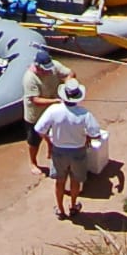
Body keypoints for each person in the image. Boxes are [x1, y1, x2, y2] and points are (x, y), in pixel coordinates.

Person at [32, 75, 99, 219]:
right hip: (78, 151)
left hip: (59, 151)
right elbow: (96, 133)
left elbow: (39, 129)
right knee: (75, 181)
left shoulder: (53, 110)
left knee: (59, 182)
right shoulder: (84, 114)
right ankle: (73, 206)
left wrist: (49, 142)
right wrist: (86, 136)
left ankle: (61, 210)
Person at [23, 47, 67, 161]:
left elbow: (70, 73)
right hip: (36, 115)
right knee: (34, 142)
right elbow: (35, 100)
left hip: (53, 111)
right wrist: (55, 101)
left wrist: (68, 88)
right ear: (37, 66)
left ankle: (50, 146)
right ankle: (33, 162)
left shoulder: (54, 66)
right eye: (45, 69)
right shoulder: (29, 78)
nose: (48, 71)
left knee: (54, 134)